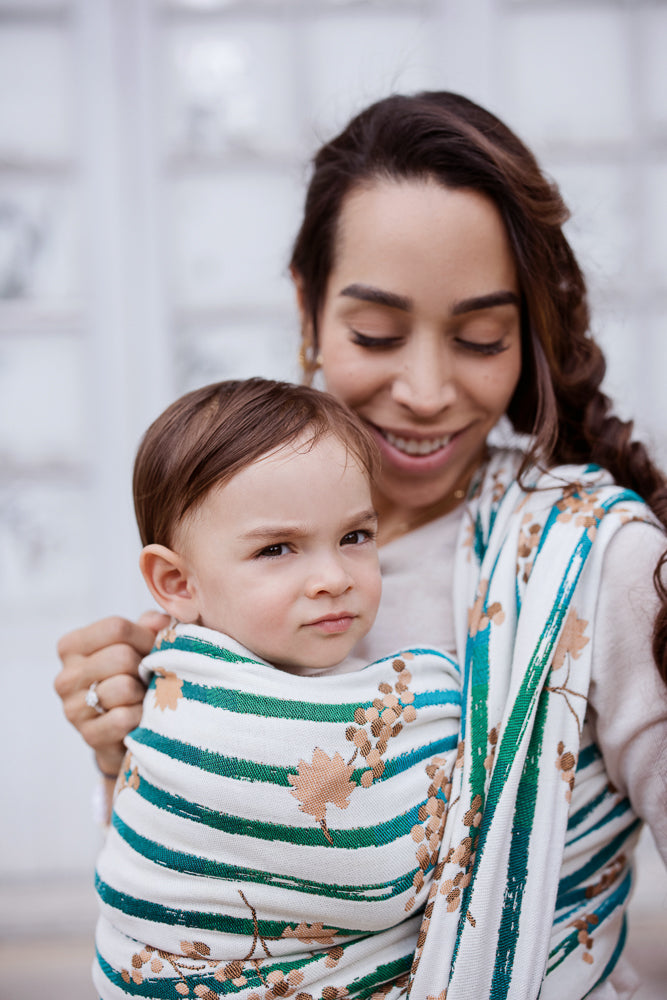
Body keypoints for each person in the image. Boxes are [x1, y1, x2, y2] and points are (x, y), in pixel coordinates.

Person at [56, 91, 667, 1000]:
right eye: (374, 334)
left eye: (479, 337)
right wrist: (127, 750)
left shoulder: (587, 563)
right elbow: (198, 913)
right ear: (307, 309)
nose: (424, 390)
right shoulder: (232, 538)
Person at [93, 376, 461, 999]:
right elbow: (378, 871)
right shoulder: (183, 704)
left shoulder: (366, 681)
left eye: (354, 537)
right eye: (277, 548)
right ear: (178, 584)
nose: (332, 577)